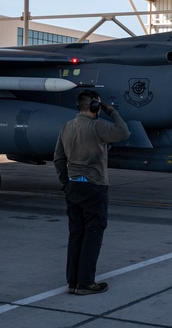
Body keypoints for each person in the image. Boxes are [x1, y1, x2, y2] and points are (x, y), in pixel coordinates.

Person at [53, 90, 130, 295]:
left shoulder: (67, 127)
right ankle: (86, 282)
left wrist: (65, 183)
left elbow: (58, 159)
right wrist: (112, 111)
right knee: (93, 234)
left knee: (76, 235)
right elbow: (124, 132)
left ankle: (73, 282)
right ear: (95, 106)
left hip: (73, 186)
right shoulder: (97, 127)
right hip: (94, 186)